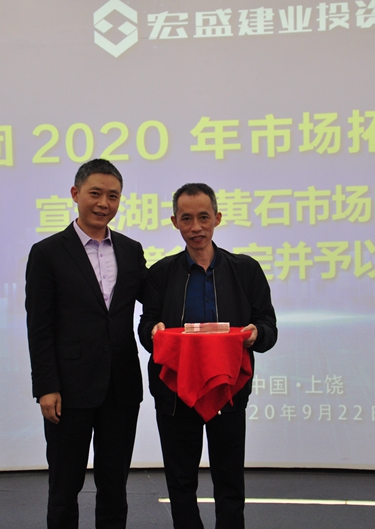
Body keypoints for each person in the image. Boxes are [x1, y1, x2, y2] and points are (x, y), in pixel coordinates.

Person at [138, 183, 277, 529]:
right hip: (175, 393)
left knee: (229, 481)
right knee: (180, 481)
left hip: (226, 390)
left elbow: (268, 326)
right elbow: (145, 327)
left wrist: (256, 334)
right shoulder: (160, 273)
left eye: (203, 217)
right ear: (175, 222)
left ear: (217, 217)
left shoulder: (245, 270)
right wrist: (153, 332)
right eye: (186, 219)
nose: (196, 227)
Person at [25, 158, 146, 529]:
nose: (104, 203)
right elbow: (39, 326)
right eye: (95, 193)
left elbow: (154, 304)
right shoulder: (47, 253)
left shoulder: (131, 250)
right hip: (68, 390)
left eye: (113, 196)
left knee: (114, 487)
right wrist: (46, 386)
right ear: (75, 194)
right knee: (65, 487)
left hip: (121, 388)